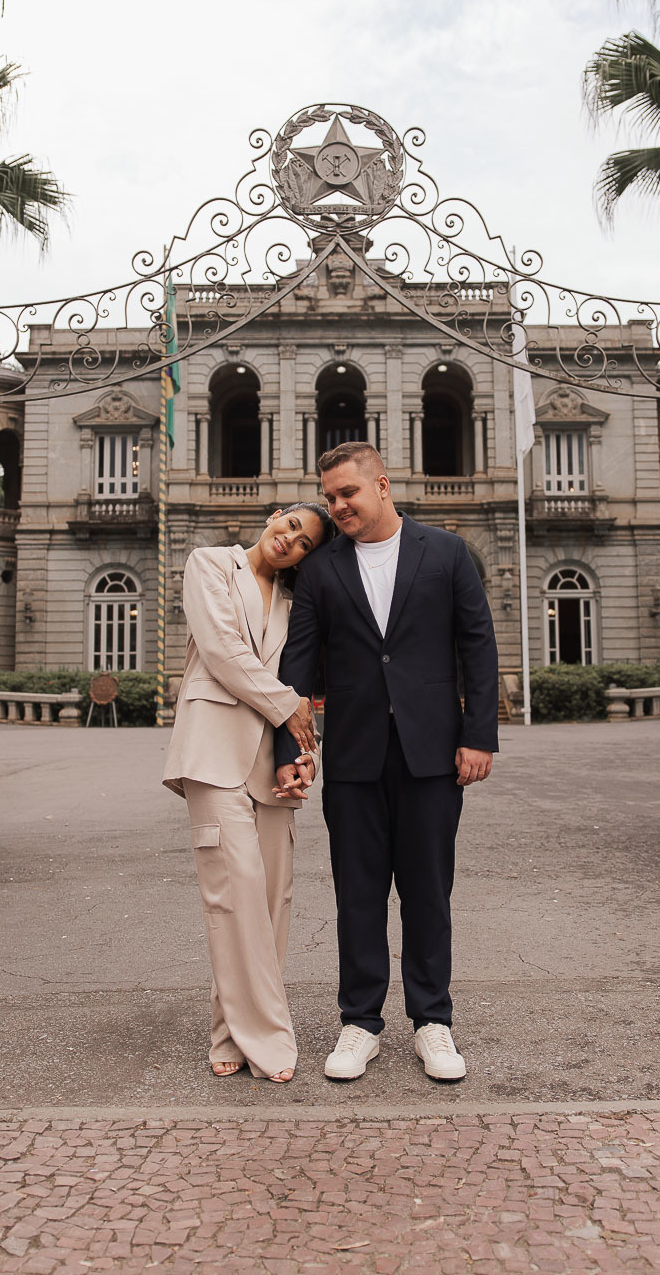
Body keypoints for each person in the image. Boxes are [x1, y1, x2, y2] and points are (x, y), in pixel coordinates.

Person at [274, 442, 498, 1082]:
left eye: (348, 492)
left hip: (433, 752)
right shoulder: (321, 570)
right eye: (329, 497)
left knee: (430, 891)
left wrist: (478, 736)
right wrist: (293, 749)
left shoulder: (447, 552)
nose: (338, 505)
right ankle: (360, 1023)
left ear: (382, 485)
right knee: (358, 894)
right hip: (354, 757)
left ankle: (434, 1022)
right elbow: (298, 664)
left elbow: (477, 647)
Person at [163, 502, 333, 1084]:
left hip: (272, 764)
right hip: (212, 750)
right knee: (230, 893)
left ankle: (227, 1030)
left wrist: (299, 756)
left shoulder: (294, 602)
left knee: (269, 903)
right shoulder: (209, 563)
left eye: (306, 543)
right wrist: (290, 708)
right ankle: (267, 1039)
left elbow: (301, 676)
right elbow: (222, 652)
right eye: (291, 526)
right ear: (275, 516)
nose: (291, 541)